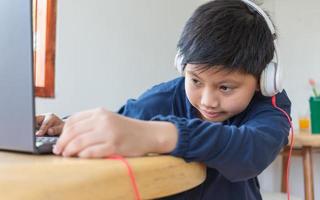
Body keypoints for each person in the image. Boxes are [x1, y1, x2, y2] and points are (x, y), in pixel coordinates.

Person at [36, 0, 291, 199]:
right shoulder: (165, 96)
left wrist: (158, 135)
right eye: (195, 81)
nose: (207, 101)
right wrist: (68, 125)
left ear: (263, 80)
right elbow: (121, 123)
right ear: (182, 66)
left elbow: (252, 150)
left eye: (225, 88)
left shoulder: (269, 106)